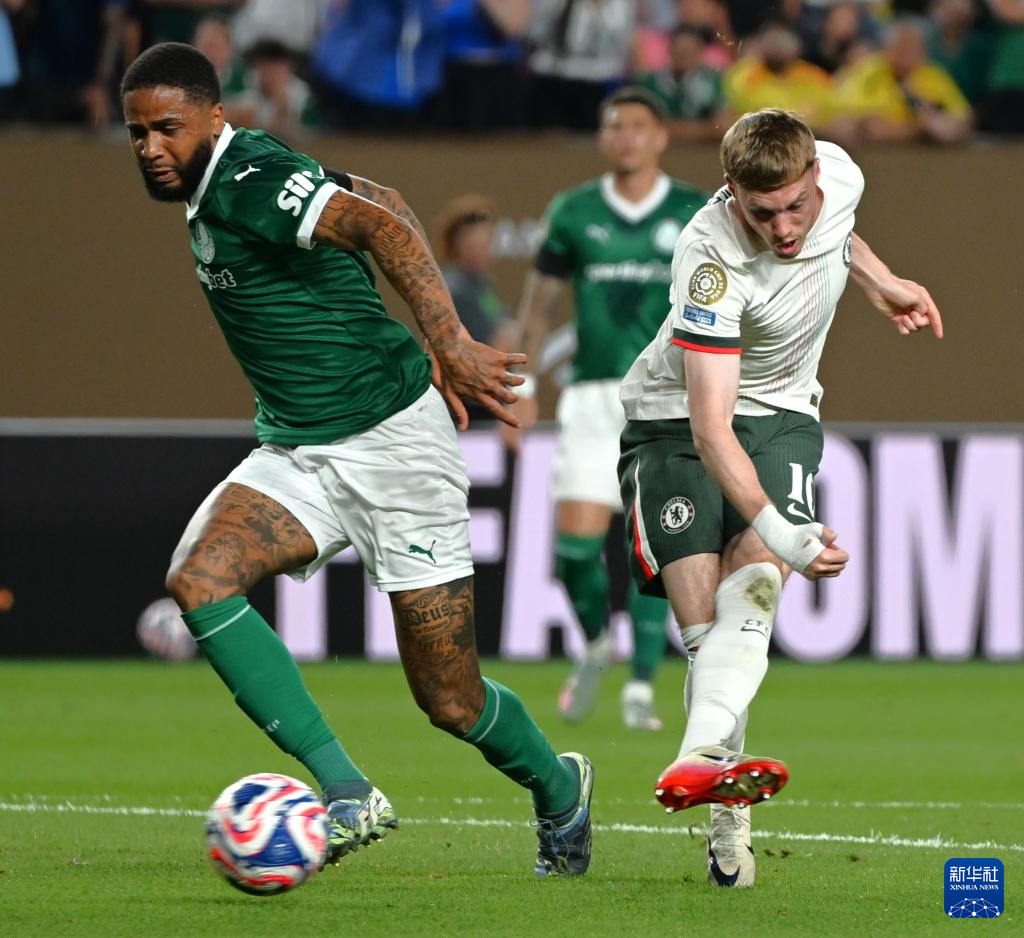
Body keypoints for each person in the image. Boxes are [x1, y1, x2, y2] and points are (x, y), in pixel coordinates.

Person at [119, 41, 593, 878]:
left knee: (450, 700)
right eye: (138, 133)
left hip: (395, 447)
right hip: (298, 449)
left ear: (214, 118)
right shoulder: (229, 174)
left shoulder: (245, 176)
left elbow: (378, 224)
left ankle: (560, 788)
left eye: (168, 128)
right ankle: (346, 789)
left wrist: (449, 343)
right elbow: (386, 198)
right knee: (200, 579)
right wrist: (426, 337)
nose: (152, 147)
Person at [617, 107, 943, 887]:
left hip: (785, 413)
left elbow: (840, 232)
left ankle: (702, 767)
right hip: (676, 420)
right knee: (705, 625)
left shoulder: (843, 175)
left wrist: (882, 282)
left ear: (816, 176)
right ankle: (718, 785)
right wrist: (789, 532)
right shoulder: (708, 260)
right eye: (763, 214)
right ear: (731, 191)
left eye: (796, 205)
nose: (785, 228)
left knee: (754, 593)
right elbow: (711, 428)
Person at [510, 86, 707, 731]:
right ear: (602, 138)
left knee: (656, 548)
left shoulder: (693, 210)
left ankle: (641, 688)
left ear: (661, 136)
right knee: (574, 551)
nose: (626, 136)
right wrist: (521, 385)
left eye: (638, 125)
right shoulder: (574, 212)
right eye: (614, 125)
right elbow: (539, 306)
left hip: (666, 398)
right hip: (592, 399)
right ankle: (596, 646)